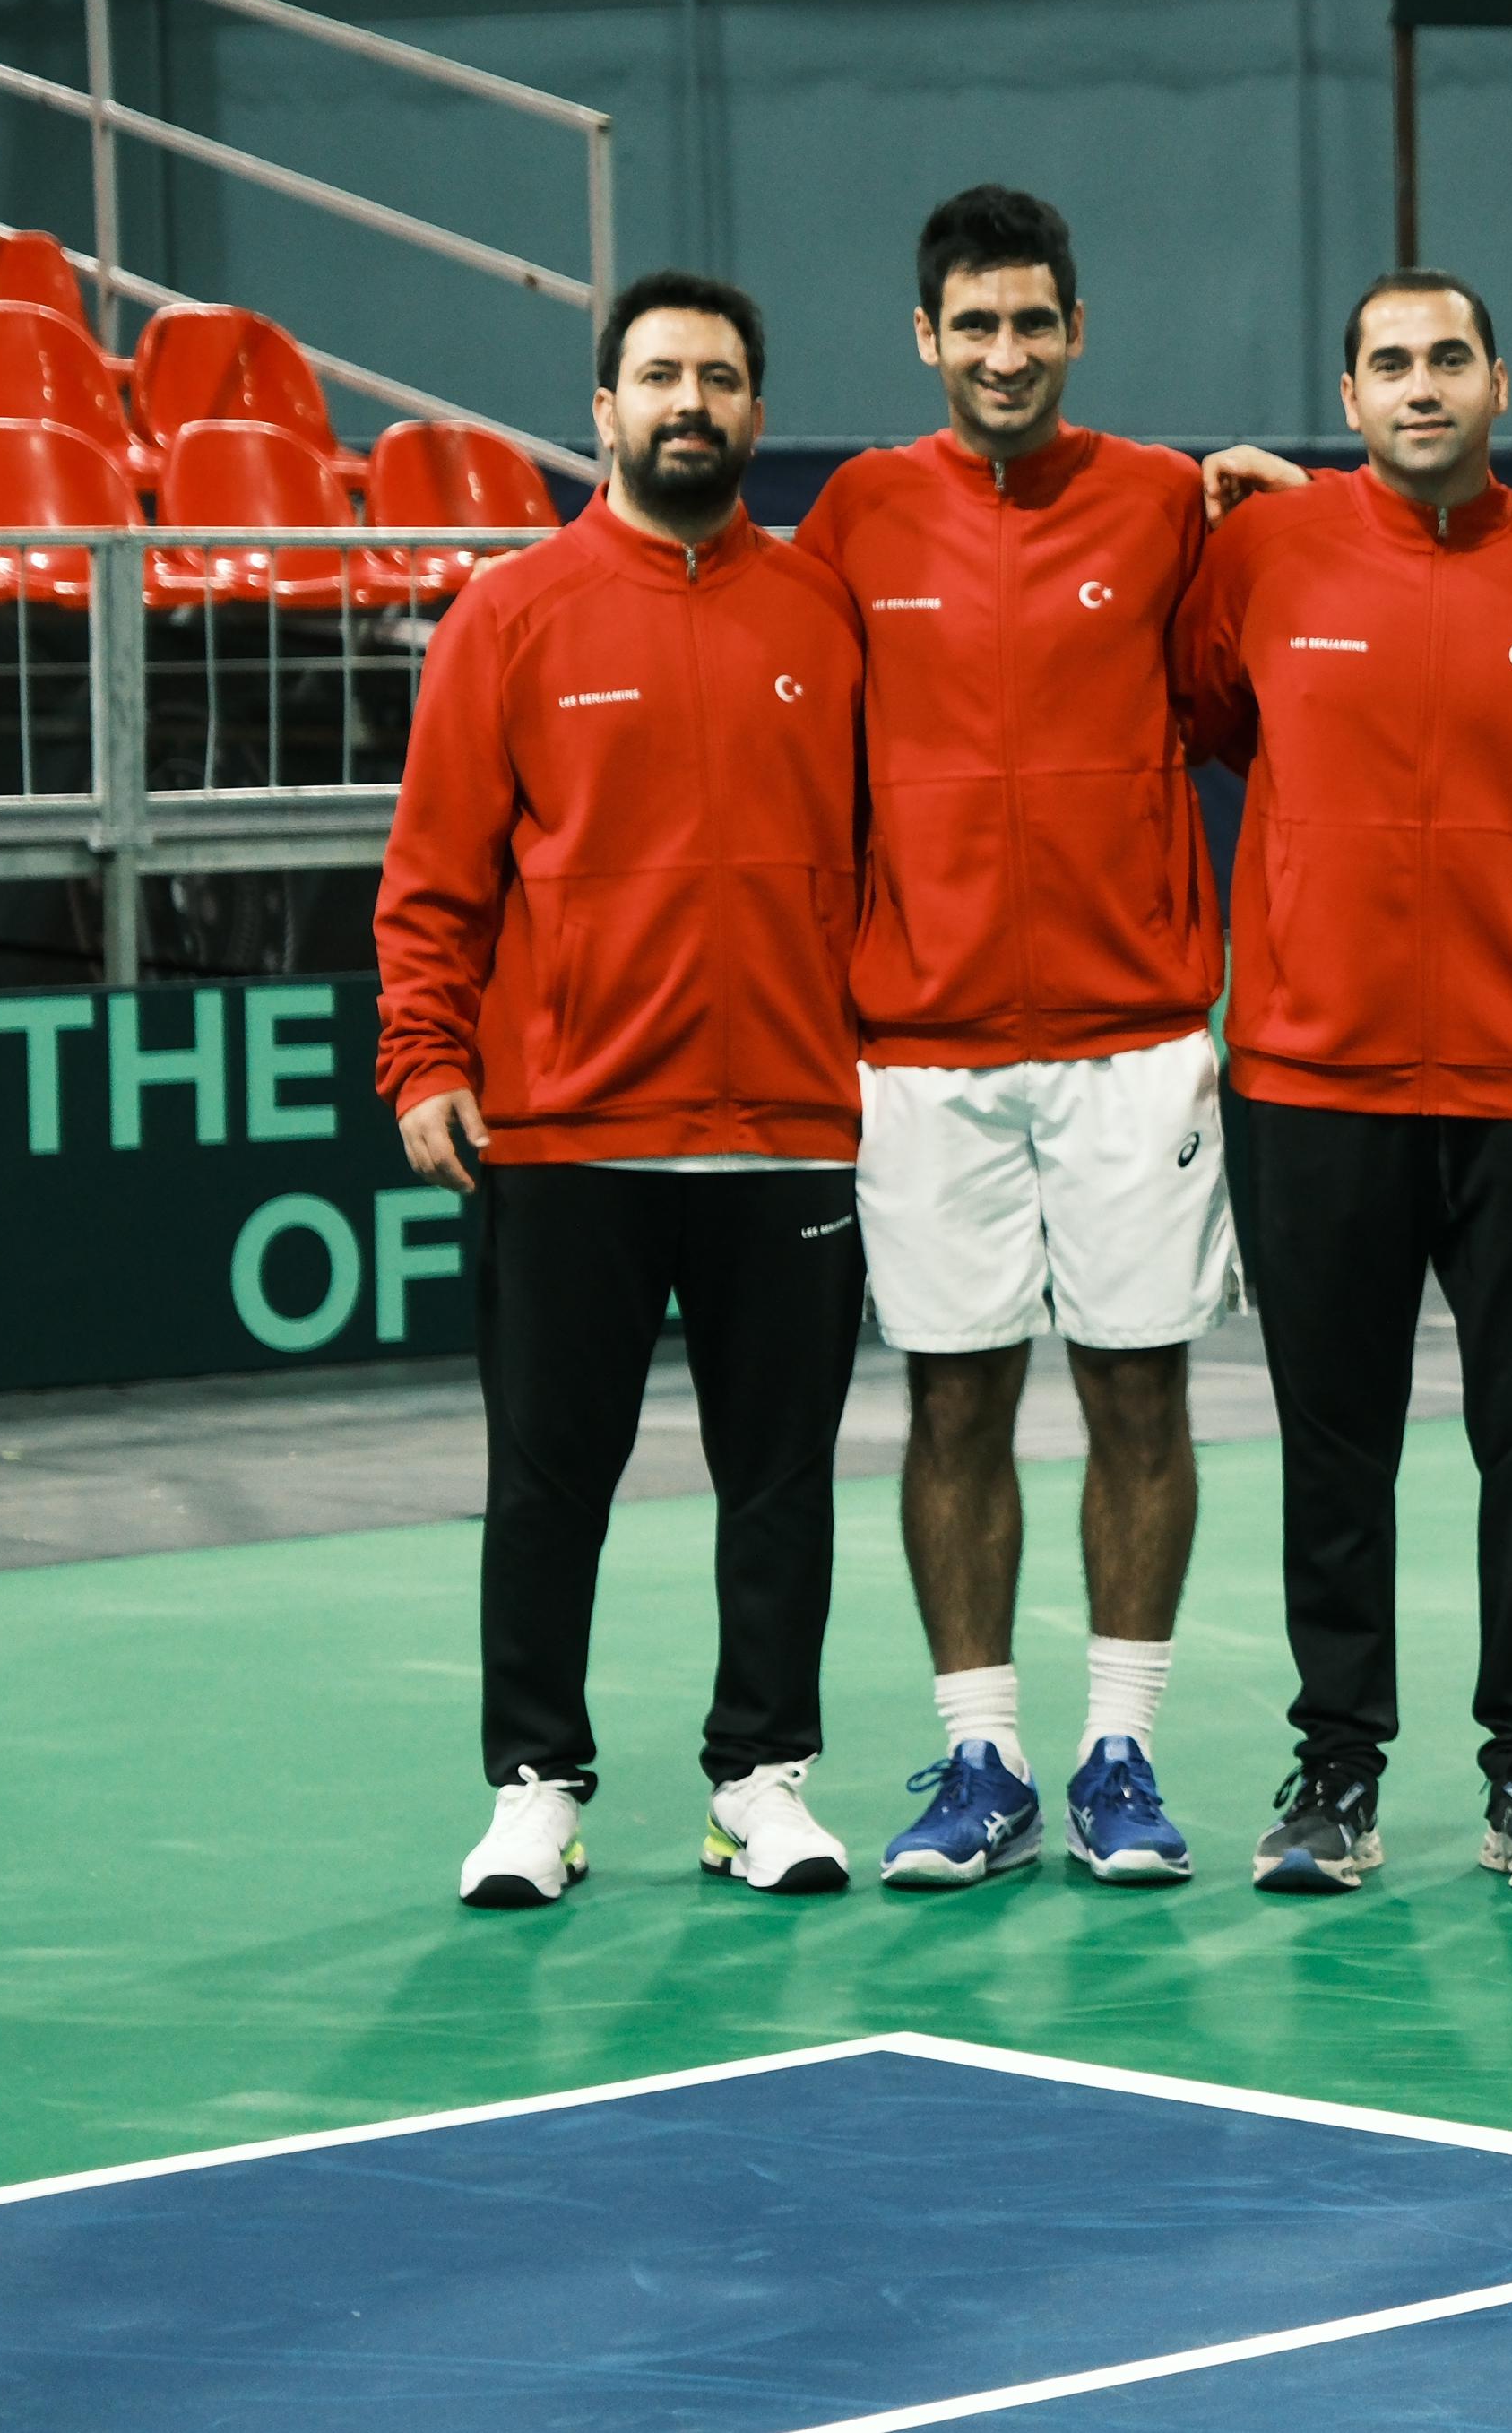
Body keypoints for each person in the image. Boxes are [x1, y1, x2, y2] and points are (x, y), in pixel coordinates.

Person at [383, 271, 869, 1909]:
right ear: (602, 409)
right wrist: (425, 1056)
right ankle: (534, 1786)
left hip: (786, 1127)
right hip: (569, 1131)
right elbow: (434, 878)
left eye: (720, 379)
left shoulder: (824, 610)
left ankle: (763, 1780)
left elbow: (888, 856)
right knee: (546, 1478)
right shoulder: (509, 615)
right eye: (658, 375)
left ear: (755, 408)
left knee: (781, 1478)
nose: (690, 403)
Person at [1178, 271, 1512, 1896]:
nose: (1422, 385)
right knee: (1337, 1443)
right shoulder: (1259, 553)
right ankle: (1336, 1775)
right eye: (1390, 362)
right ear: (1350, 392)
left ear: (1500, 381)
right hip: (1314, 1079)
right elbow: (1217, 719)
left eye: (1450, 357)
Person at [801, 186, 1230, 1893]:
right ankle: (980, 1755)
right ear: (925, 337)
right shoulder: (853, 514)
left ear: (1074, 330)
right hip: (925, 1046)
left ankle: (1119, 1750)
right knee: (954, 1399)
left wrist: (1274, 491)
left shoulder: (1161, 501)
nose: (1004, 353)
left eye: (1032, 322)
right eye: (972, 326)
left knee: (1140, 1392)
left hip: (1133, 1035)